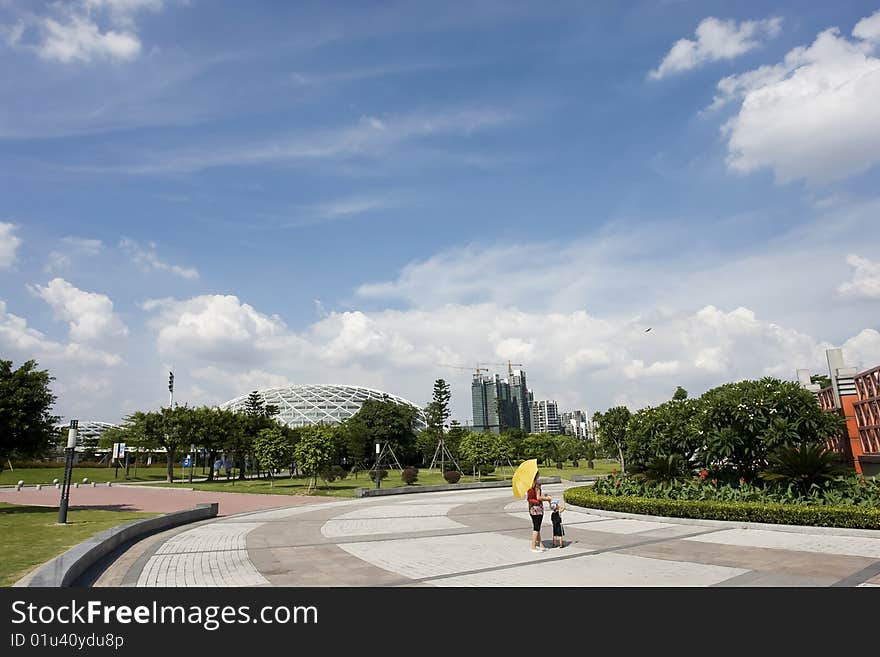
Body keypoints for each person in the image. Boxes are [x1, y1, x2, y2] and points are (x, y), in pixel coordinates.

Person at [526, 472, 552, 552]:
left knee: (536, 526)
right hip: (537, 509)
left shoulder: (529, 485)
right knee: (536, 528)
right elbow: (538, 497)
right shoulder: (537, 485)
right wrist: (548, 498)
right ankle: (533, 546)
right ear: (536, 475)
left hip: (531, 508)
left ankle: (540, 544)